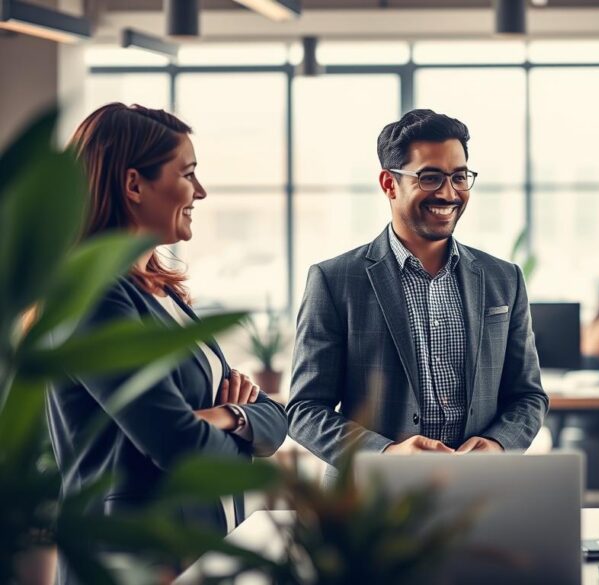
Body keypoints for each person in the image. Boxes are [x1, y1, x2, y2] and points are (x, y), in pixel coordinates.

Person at [47, 103, 288, 584]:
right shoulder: (94, 294)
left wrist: (228, 416)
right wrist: (236, 435)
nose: (200, 191)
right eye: (188, 174)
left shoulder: (162, 291)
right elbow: (176, 444)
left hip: (197, 550)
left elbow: (274, 422)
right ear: (134, 184)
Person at [286, 109, 548, 482]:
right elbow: (305, 410)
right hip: (370, 502)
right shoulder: (334, 280)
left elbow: (528, 396)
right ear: (389, 184)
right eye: (430, 178)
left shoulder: (503, 278)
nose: (448, 192)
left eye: (460, 177)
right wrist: (386, 454)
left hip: (479, 494)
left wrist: (497, 445)